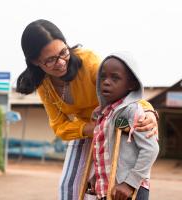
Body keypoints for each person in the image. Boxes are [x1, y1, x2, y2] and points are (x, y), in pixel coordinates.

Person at [16, 19, 158, 200]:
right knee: (70, 187)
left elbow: (124, 87)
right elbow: (59, 126)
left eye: (63, 52)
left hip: (115, 125)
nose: (60, 63)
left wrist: (148, 111)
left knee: (119, 180)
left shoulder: (88, 61)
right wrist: (93, 128)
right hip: (87, 129)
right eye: (51, 60)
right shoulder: (44, 84)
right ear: (36, 62)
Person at [87, 53, 159, 200]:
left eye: (115, 78)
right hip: (109, 190)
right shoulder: (104, 114)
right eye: (103, 77)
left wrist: (129, 184)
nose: (106, 82)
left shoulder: (132, 110)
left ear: (131, 84)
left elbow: (151, 149)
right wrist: (97, 176)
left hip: (129, 190)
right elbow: (106, 151)